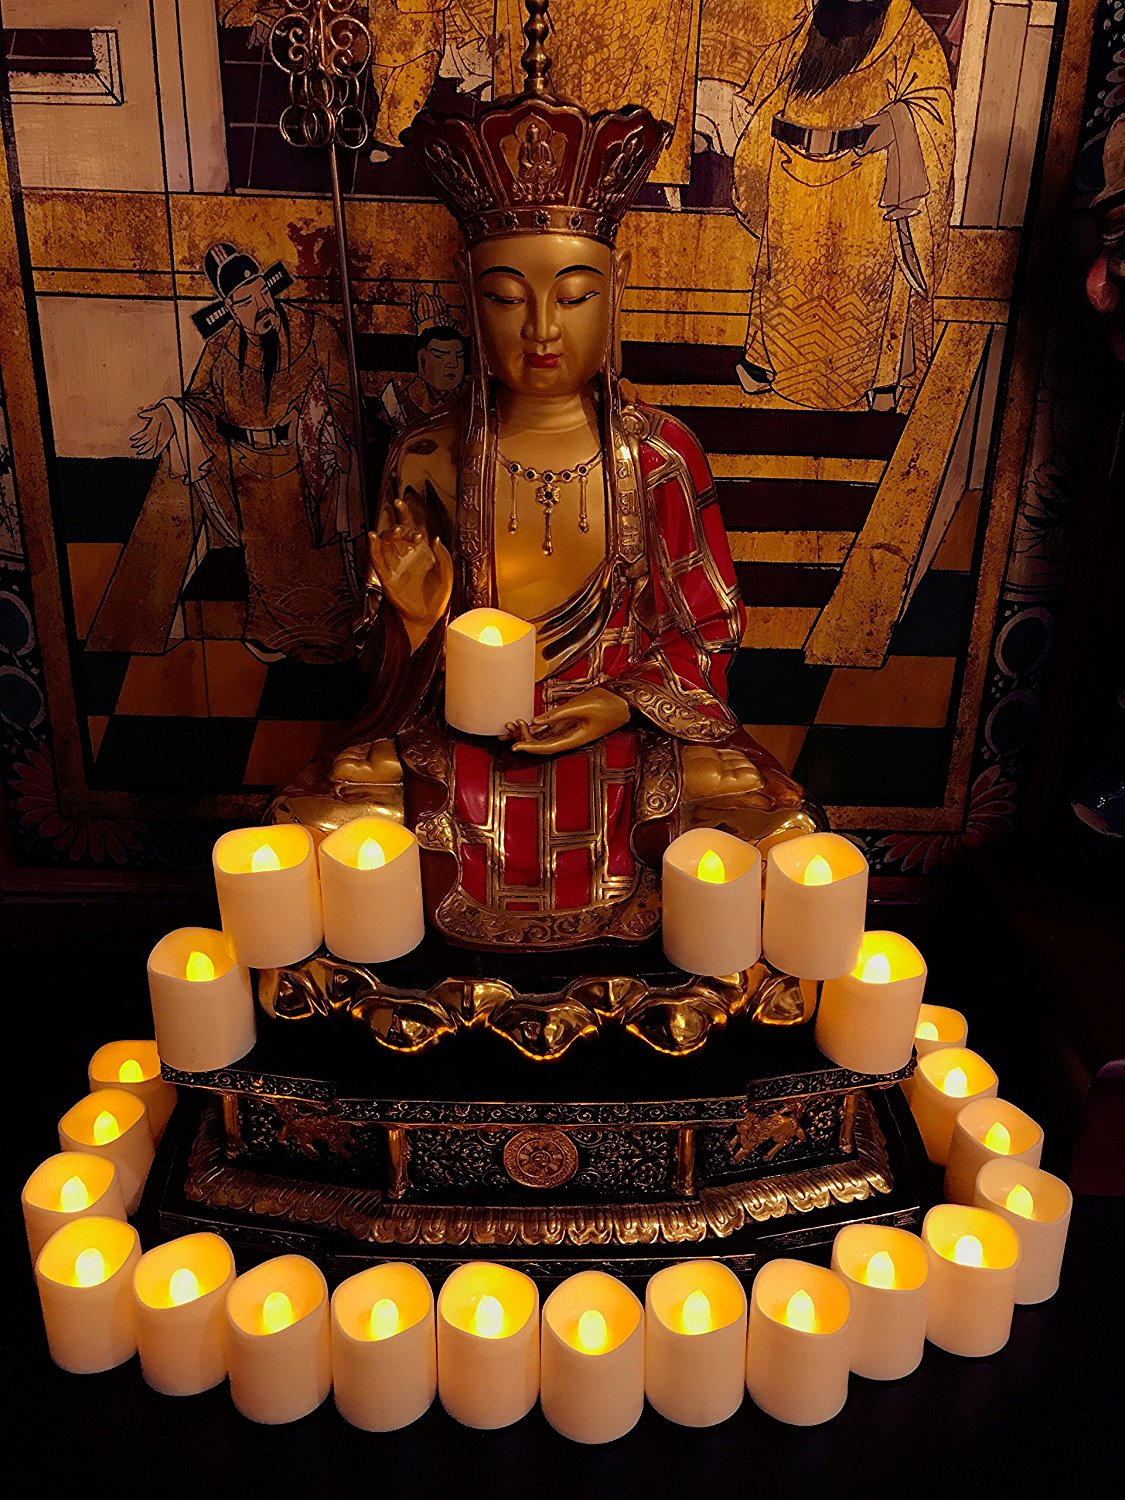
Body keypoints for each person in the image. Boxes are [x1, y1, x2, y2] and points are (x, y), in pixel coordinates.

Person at [272, 7, 823, 949]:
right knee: (325, 808)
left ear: (615, 293)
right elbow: (386, 672)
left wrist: (617, 701)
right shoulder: (428, 452)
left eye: (572, 297)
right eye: (504, 297)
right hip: (462, 740)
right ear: (470, 300)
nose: (539, 329)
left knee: (766, 813)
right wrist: (415, 621)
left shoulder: (658, 455)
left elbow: (705, 630)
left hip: (628, 734)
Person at [93, 244, 363, 663]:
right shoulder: (221, 347)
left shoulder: (315, 332)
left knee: (320, 571)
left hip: (308, 463)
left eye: (262, 292)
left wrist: (315, 420)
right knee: (265, 563)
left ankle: (331, 634)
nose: (260, 306)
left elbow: (345, 397)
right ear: (229, 310)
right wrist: (172, 413)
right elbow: (202, 402)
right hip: (247, 471)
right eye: (244, 301)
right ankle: (272, 634)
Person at [731, 0, 954, 410]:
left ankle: (881, 379)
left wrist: (896, 123)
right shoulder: (813, 25)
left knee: (872, 290)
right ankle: (765, 361)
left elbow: (932, 113)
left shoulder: (910, 35)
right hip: (792, 177)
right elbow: (774, 88)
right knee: (780, 273)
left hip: (869, 184)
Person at [379, 285, 468, 432]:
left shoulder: (472, 397)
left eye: (459, 356)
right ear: (421, 361)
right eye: (440, 355)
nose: (453, 364)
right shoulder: (396, 400)